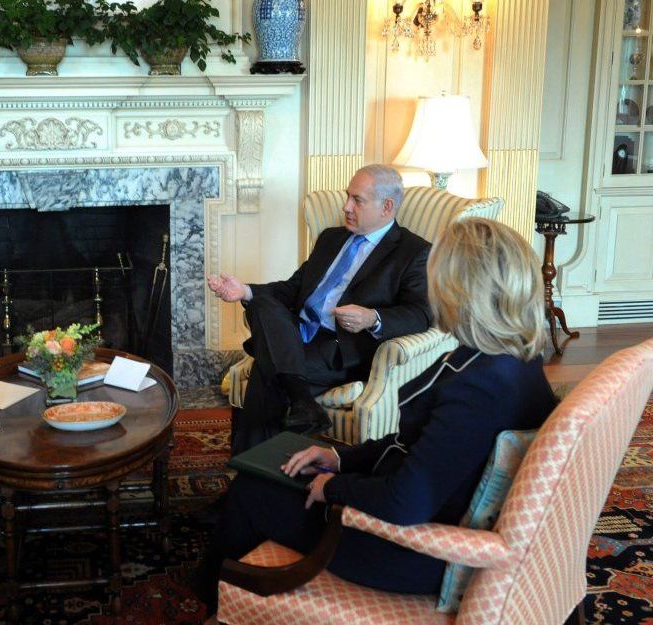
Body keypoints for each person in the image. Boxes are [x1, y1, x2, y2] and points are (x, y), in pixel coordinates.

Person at [194, 217, 557, 610]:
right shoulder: (509, 361)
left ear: (458, 291)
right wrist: (338, 457)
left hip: (413, 551)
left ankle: (213, 602)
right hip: (423, 514)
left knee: (252, 492)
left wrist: (333, 487)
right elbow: (422, 444)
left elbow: (406, 502)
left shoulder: (483, 387)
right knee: (279, 469)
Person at [208, 164, 432, 454]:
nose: (346, 206)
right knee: (261, 302)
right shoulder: (331, 238)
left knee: (267, 377)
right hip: (295, 333)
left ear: (387, 207)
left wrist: (372, 318)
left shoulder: (413, 252)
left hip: (339, 349)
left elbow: (421, 313)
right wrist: (246, 291)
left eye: (357, 200)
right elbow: (292, 289)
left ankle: (245, 483)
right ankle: (302, 401)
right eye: (347, 196)